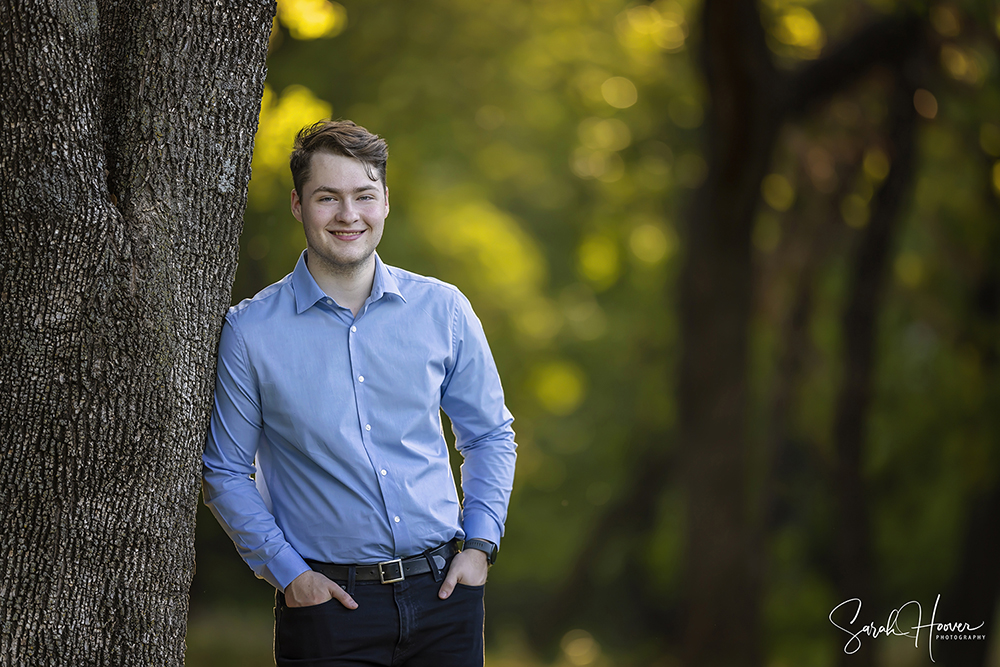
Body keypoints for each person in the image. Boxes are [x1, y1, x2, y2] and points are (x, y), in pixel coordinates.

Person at [202, 119, 517, 666]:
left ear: (386, 202)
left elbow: (490, 434)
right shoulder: (250, 331)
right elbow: (225, 471)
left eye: (363, 196)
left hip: (446, 597)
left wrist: (480, 547)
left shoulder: (442, 310)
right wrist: (290, 575)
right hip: (328, 611)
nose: (349, 215)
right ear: (299, 206)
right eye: (328, 198)